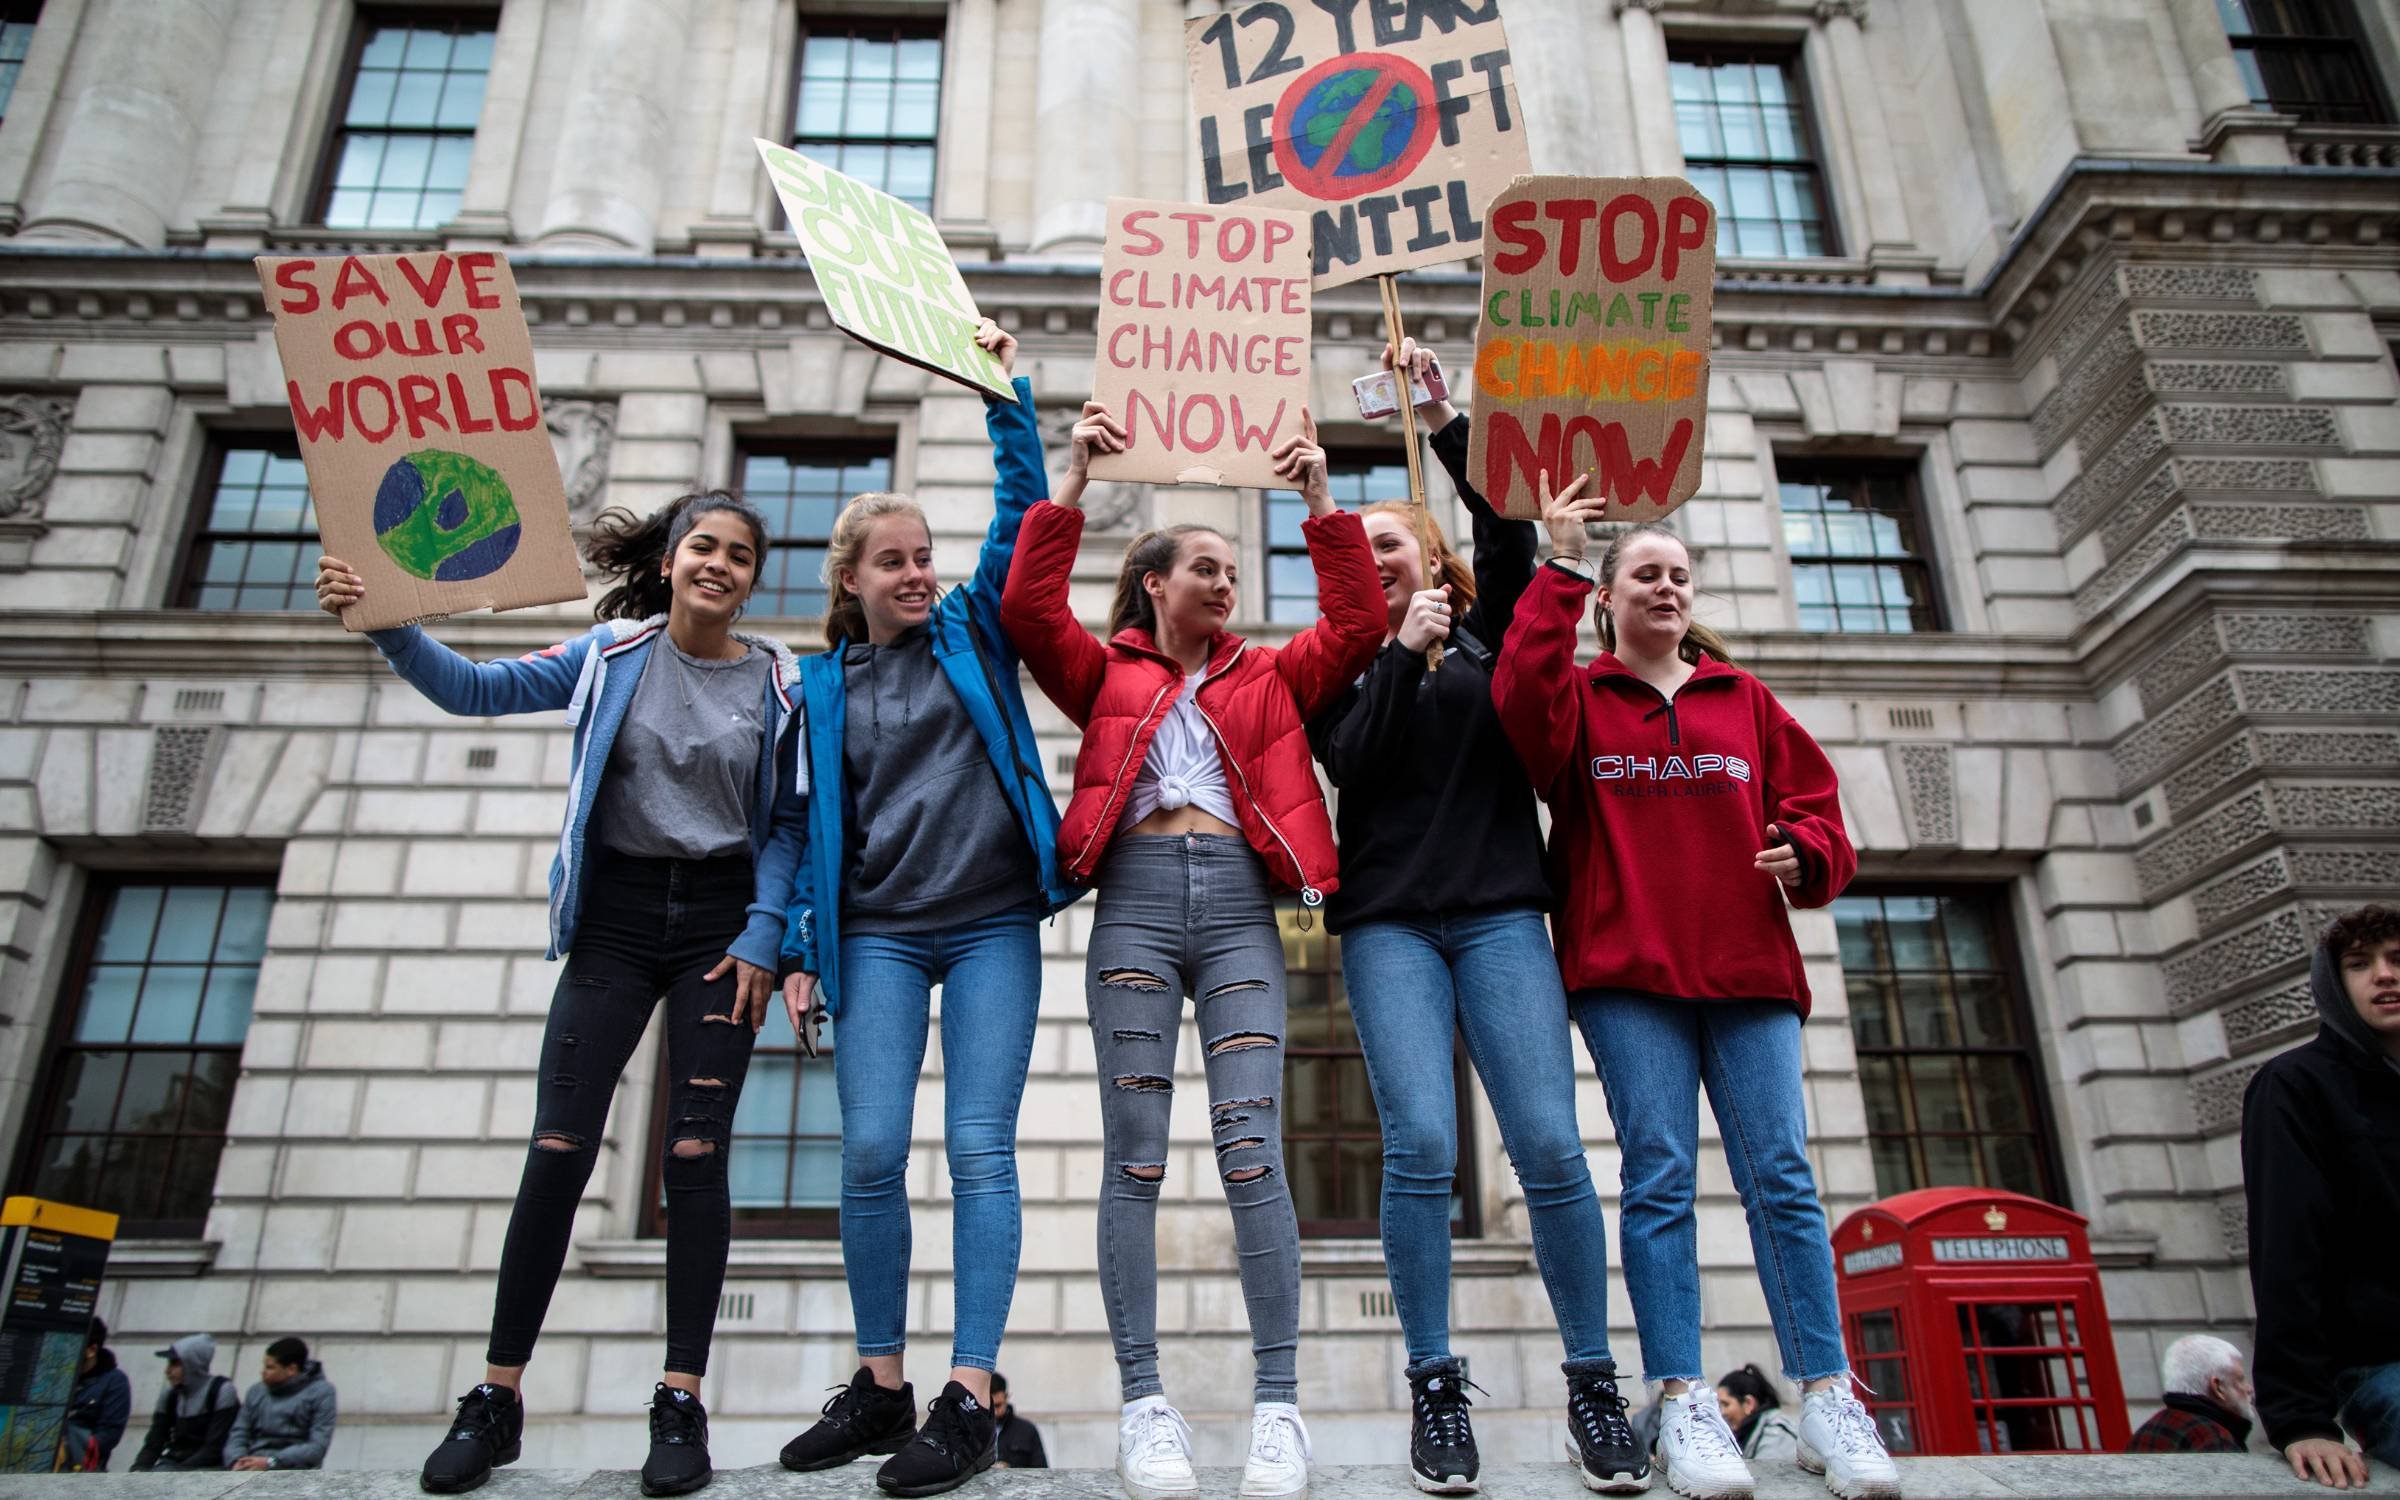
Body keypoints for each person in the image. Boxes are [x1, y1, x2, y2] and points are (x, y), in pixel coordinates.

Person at [318, 479, 806, 1499]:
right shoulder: (610, 657)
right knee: (558, 1149)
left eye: (740, 555)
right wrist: (390, 623)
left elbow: (789, 827)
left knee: (694, 1156)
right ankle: (497, 1398)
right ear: (669, 562)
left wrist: (767, 937)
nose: (719, 564)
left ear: (755, 580)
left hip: (720, 931)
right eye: (702, 547)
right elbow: (476, 691)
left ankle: (680, 1402)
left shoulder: (780, 685)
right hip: (618, 923)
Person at [1000, 398, 1382, 1500]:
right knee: (1136, 1155)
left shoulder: (1269, 677)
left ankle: (1277, 1409)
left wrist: (1317, 499)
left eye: (1230, 569)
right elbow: (1029, 609)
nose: (1224, 582)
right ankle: (1144, 1406)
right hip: (1132, 911)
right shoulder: (1104, 674)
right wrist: (1070, 476)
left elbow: (1355, 626)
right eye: (1203, 567)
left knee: (1252, 1147)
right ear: (1155, 583)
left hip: (1237, 920)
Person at [1492, 492, 1902, 1500]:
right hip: (1628, 973)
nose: (1667, 587)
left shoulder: (1743, 700)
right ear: (1611, 598)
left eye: (1679, 574)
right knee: (1660, 1175)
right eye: (1646, 574)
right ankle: (1681, 1399)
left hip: (1750, 974)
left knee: (1784, 1180)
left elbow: (1820, 816)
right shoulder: (1581, 698)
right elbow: (1518, 703)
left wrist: (1806, 852)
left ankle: (1826, 1395)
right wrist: (1557, 563)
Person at [1304, 340, 1642, 1495]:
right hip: (1392, 927)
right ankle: (1435, 1386)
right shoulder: (1346, 665)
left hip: (1501, 916)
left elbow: (1509, 539)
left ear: (1428, 554)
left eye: (1389, 542)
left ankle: (1594, 1383)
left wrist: (1444, 414)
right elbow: (1353, 759)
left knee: (1549, 1146)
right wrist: (1400, 654)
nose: (1373, 559)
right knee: (1425, 1150)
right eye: (1358, 553)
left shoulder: (1491, 624)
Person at [774, 324, 1079, 1500]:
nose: (915, 572)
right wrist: (802, 949)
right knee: (866, 1154)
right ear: (850, 577)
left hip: (994, 918)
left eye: (923, 556)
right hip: (882, 934)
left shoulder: (973, 628)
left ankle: (969, 1391)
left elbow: (1025, 505)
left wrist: (1001, 387)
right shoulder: (822, 685)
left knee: (979, 1147)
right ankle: (881, 1384)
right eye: (891, 561)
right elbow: (803, 830)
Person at [2243, 902, 2400, 1490]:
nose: (2383, 975)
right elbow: (2287, 1250)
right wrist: (2301, 1418)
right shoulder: (2294, 1086)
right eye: (2360, 964)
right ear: (2333, 986)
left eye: (2397, 959)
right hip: (2380, 1364)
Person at [130, 1334, 240, 1473]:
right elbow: (154, 1442)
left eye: (175, 1364)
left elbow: (214, 1447)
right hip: (173, 1463)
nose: (168, 1371)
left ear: (192, 1364)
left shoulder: (221, 1390)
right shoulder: (170, 1395)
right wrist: (138, 1469)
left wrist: (176, 1472)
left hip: (209, 1468)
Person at [2126, 1335, 2253, 1454]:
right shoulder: (2215, 1439)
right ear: (2218, 1387)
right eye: (2240, 1379)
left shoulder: (2143, 1433)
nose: (2249, 1389)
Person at [225, 1338, 338, 1471]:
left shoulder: (322, 1392)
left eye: (270, 1367)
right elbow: (239, 1432)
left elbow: (317, 1447)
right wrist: (236, 1460)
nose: (263, 1372)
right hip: (251, 1463)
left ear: (291, 1369)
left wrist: (271, 1462)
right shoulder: (256, 1391)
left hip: (296, 1469)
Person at [61, 1317, 131, 1471]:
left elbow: (109, 1433)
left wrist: (71, 1444)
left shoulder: (115, 1381)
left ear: (91, 1350)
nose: (65, 1351)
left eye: (73, 1345)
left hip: (81, 1467)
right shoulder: (56, 1376)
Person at [1718, 1366, 1801, 1462]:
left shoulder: (1774, 1434)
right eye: (1719, 1406)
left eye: (1726, 1404)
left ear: (1748, 1403)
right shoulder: (1751, 1434)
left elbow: (1769, 1474)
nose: (1722, 1412)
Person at [989, 1375, 1047, 1470]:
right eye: (990, 1407)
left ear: (1006, 1397)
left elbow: (1042, 1472)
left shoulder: (1027, 1430)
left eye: (998, 1405)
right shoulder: (974, 1430)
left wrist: (1011, 1470)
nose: (994, 1412)